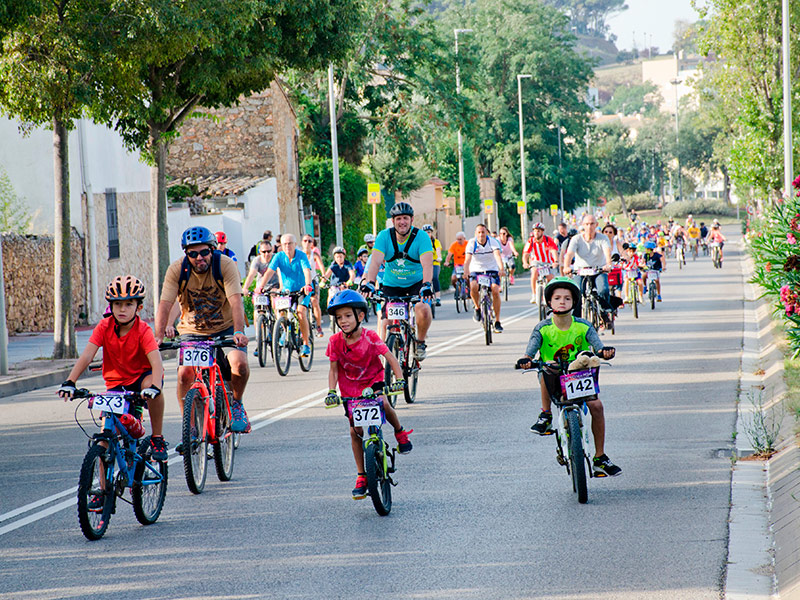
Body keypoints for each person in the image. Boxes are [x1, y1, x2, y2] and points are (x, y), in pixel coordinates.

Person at [515, 277, 621, 477]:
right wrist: (526, 359)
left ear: (574, 302)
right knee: (547, 369)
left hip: (579, 375)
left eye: (567, 298)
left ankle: (600, 457)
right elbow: (529, 352)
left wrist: (604, 352)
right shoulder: (542, 328)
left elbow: (598, 346)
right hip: (552, 378)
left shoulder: (583, 326)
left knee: (597, 406)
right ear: (549, 302)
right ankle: (545, 415)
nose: (562, 301)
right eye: (557, 298)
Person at [58, 276, 168, 461]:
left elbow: (156, 363)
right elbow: (87, 355)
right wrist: (70, 381)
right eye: (117, 304)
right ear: (111, 306)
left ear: (138, 307)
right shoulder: (103, 326)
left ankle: (157, 438)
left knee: (153, 388)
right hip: (116, 385)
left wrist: (155, 387)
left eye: (128, 304)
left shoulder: (143, 330)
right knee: (106, 436)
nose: (122, 309)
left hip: (143, 379)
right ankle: (103, 487)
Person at [154, 226, 251, 437]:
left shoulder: (224, 265)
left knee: (239, 365)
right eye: (193, 254)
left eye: (204, 252)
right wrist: (159, 335)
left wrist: (238, 331)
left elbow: (236, 301)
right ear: (186, 254)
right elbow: (165, 303)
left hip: (224, 328)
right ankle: (188, 427)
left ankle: (236, 404)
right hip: (192, 331)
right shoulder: (177, 270)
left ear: (213, 249)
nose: (200, 258)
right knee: (184, 375)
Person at [325, 290, 413, 499]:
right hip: (350, 388)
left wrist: (400, 380)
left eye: (348, 316)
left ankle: (399, 432)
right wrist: (331, 391)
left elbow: (390, 358)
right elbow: (334, 370)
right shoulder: (335, 342)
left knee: (383, 402)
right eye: (339, 317)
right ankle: (362, 475)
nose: (343, 321)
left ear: (360, 316)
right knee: (355, 430)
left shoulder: (370, 337)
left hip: (373, 381)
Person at [360, 202, 434, 361]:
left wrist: (427, 285)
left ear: (412, 220)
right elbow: (375, 262)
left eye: (405, 218)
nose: (402, 222)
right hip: (392, 285)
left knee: (424, 309)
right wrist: (370, 283)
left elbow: (427, 264)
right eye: (398, 218)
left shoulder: (421, 237)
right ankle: (389, 356)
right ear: (393, 221)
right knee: (385, 321)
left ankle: (420, 342)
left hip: (416, 284)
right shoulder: (383, 237)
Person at [254, 233, 314, 356]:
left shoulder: (301, 255)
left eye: (290, 243)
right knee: (280, 310)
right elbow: (269, 272)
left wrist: (307, 284)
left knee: (301, 312)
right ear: (281, 245)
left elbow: (307, 271)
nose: (287, 246)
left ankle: (306, 344)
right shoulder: (279, 256)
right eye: (284, 244)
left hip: (302, 290)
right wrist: (260, 287)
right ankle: (285, 332)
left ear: (295, 244)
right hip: (287, 291)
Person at [563, 214, 613, 324]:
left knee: (603, 290)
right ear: (582, 225)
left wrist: (608, 265)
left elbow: (607, 253)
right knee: (576, 292)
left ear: (596, 225)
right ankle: (575, 320)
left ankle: (604, 313)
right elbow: (569, 254)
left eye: (591, 224)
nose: (589, 227)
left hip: (598, 270)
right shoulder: (576, 239)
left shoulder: (603, 238)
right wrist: (566, 267)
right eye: (586, 224)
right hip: (580, 271)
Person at [464, 223, 506, 332]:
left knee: (495, 290)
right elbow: (467, 259)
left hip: (491, 269)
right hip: (476, 270)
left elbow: (497, 255)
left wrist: (501, 268)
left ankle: (497, 321)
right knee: (473, 286)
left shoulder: (492, 242)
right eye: (479, 232)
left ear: (486, 232)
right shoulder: (472, 243)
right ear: (475, 234)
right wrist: (466, 271)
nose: (481, 234)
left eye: (483, 232)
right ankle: (477, 307)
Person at [522, 222, 559, 304]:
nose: (536, 233)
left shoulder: (548, 240)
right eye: (535, 231)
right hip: (536, 262)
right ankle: (534, 294)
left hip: (548, 262)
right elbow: (526, 253)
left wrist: (555, 261)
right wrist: (525, 263)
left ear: (542, 232)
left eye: (538, 231)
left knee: (550, 278)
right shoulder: (531, 241)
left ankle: (549, 295)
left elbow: (553, 251)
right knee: (534, 272)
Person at [301, 234, 325, 337]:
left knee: (315, 302)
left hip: (313, 280)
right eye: (305, 241)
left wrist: (323, 278)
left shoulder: (314, 255)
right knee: (301, 305)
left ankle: (318, 326)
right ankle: (302, 328)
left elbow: (321, 267)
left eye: (309, 241)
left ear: (312, 243)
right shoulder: (299, 254)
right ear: (302, 242)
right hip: (301, 281)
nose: (307, 243)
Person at [423, 224, 443, 306]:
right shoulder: (421, 242)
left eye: (429, 232)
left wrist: (439, 257)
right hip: (424, 264)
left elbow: (438, 250)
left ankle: (438, 297)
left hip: (434, 263)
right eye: (425, 232)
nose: (427, 234)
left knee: (434, 277)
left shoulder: (435, 242)